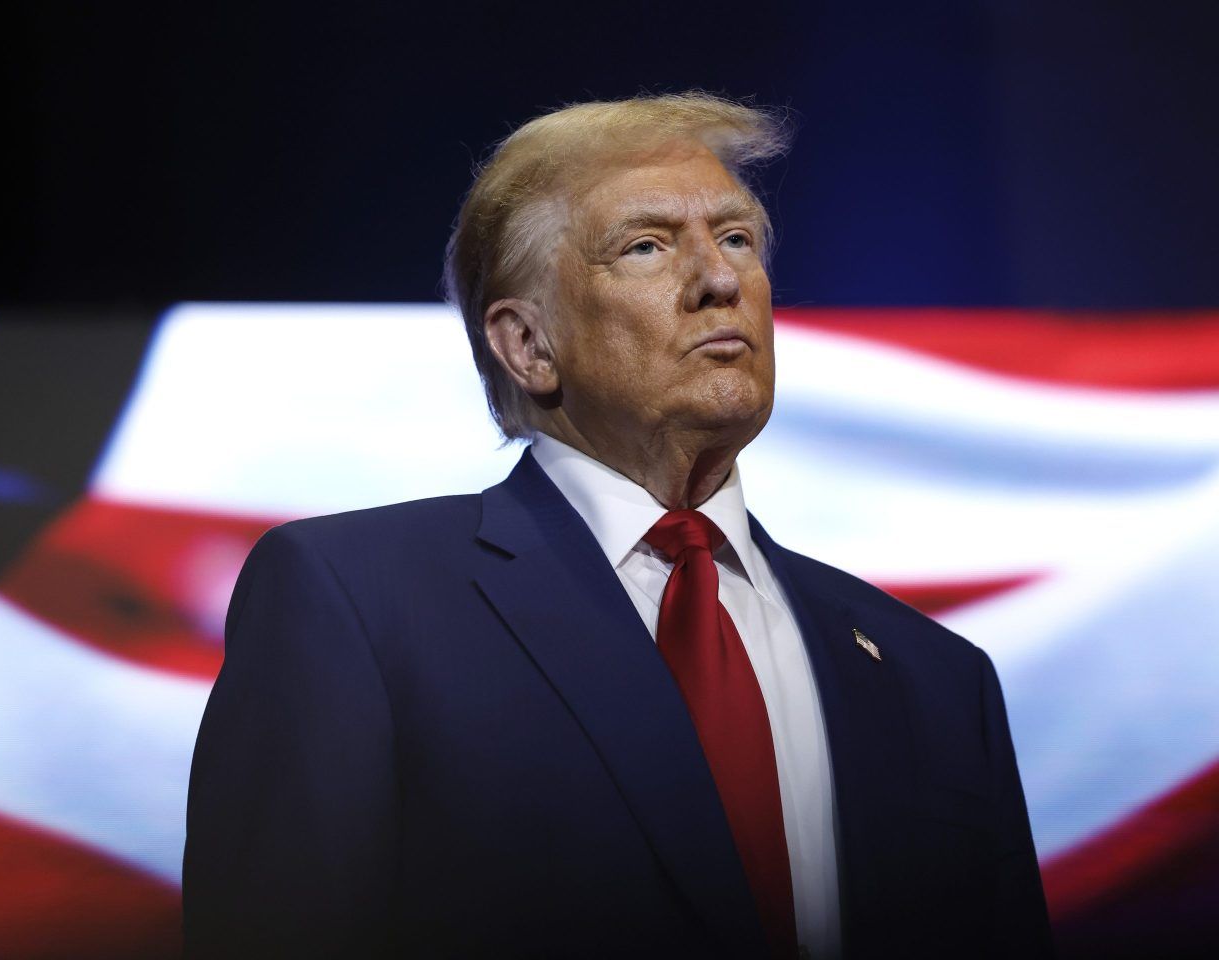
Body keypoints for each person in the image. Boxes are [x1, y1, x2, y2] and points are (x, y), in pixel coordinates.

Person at [182, 92, 1053, 959]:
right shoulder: (361, 607)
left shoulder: (935, 680)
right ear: (527, 345)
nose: (720, 280)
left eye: (738, 238)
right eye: (645, 247)